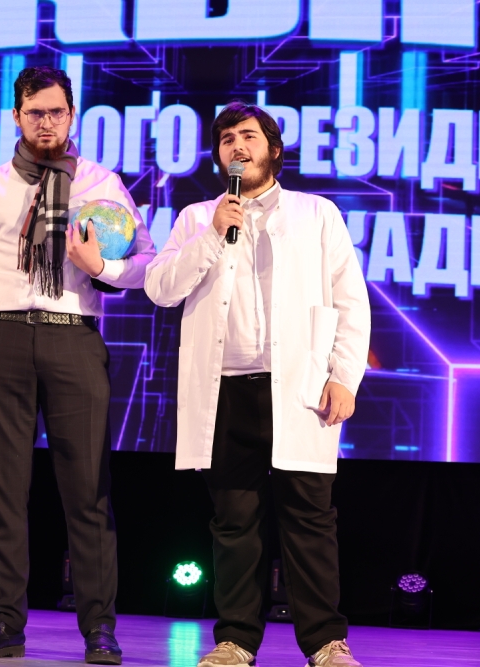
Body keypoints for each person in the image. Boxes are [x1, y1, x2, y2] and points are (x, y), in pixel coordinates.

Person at [0, 66, 156, 665]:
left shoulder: (101, 182)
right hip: (0, 337)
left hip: (72, 335)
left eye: (57, 111)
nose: (46, 123)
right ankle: (5, 622)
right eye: (35, 113)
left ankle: (99, 629)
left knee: (88, 491)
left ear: (71, 114)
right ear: (16, 116)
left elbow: (145, 263)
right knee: (3, 490)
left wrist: (100, 266)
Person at [144, 102, 371, 667]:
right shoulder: (198, 217)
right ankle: (236, 640)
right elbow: (160, 288)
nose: (236, 146)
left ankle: (326, 642)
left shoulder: (317, 213)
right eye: (226, 139)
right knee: (234, 522)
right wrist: (211, 235)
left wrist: (345, 377)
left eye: (248, 135)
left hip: (299, 389)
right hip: (225, 389)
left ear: (273, 148)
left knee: (309, 520)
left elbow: (351, 300)